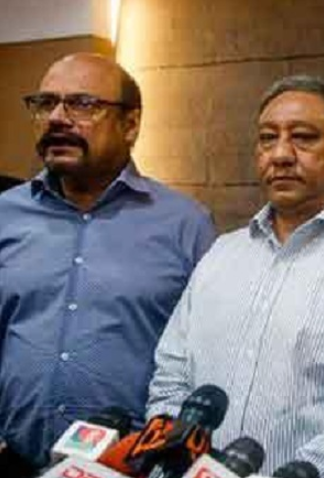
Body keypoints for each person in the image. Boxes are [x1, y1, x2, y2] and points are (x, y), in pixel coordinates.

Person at [147, 75, 324, 477]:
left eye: (303, 138)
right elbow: (171, 374)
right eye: (267, 138)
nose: (280, 155)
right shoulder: (223, 253)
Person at [0, 53, 215, 475]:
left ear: (130, 124)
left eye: (82, 104)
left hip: (131, 465)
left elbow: (207, 356)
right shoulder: (5, 214)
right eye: (46, 103)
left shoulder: (186, 225)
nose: (57, 118)